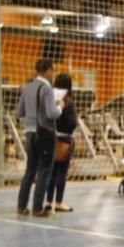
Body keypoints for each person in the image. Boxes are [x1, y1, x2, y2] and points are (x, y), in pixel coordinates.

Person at [16, 58, 62, 217]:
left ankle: (21, 206)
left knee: (30, 170)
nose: (53, 74)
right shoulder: (47, 89)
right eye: (52, 70)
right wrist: (60, 107)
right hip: (44, 134)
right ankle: (37, 208)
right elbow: (51, 113)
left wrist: (32, 112)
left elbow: (19, 112)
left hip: (29, 133)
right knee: (44, 171)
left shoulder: (27, 87)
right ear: (48, 70)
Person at [46, 73, 77, 213]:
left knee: (51, 172)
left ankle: (48, 201)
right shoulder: (68, 102)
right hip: (64, 140)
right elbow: (72, 124)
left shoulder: (50, 100)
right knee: (61, 173)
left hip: (51, 138)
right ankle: (58, 202)